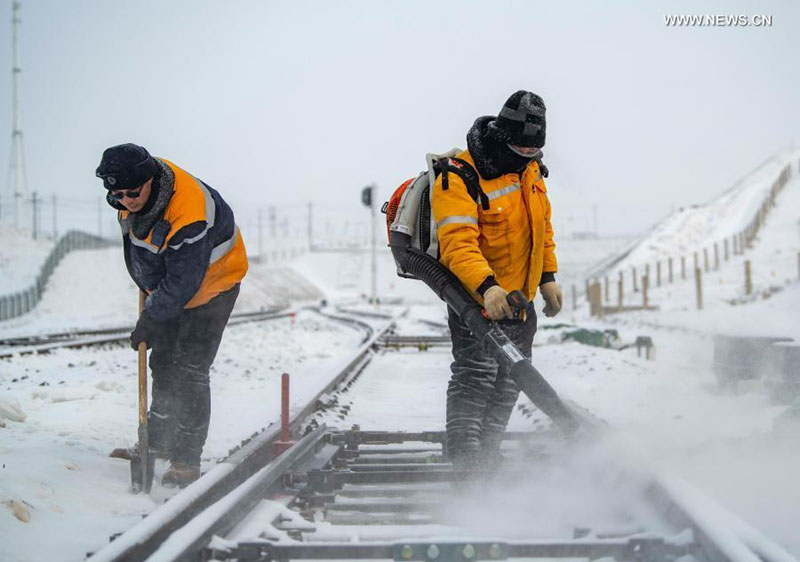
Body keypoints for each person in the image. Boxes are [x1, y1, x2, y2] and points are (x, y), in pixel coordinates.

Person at [97, 143, 248, 487]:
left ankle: (186, 458)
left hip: (213, 285)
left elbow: (184, 280)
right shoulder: (129, 201)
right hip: (170, 287)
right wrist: (152, 297)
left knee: (191, 368)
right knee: (163, 363)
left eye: (133, 192)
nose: (126, 200)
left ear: (149, 180)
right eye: (118, 194)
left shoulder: (189, 210)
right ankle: (158, 441)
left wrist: (151, 317)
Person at [431, 91, 563, 471]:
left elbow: (543, 229)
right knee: (475, 379)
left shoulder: (531, 170)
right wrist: (488, 288)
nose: (528, 159)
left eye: (533, 153)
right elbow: (457, 245)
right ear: (502, 138)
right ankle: (463, 463)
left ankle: (486, 459)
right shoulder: (459, 176)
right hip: (477, 300)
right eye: (522, 152)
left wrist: (548, 277)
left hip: (520, 302)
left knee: (510, 382)